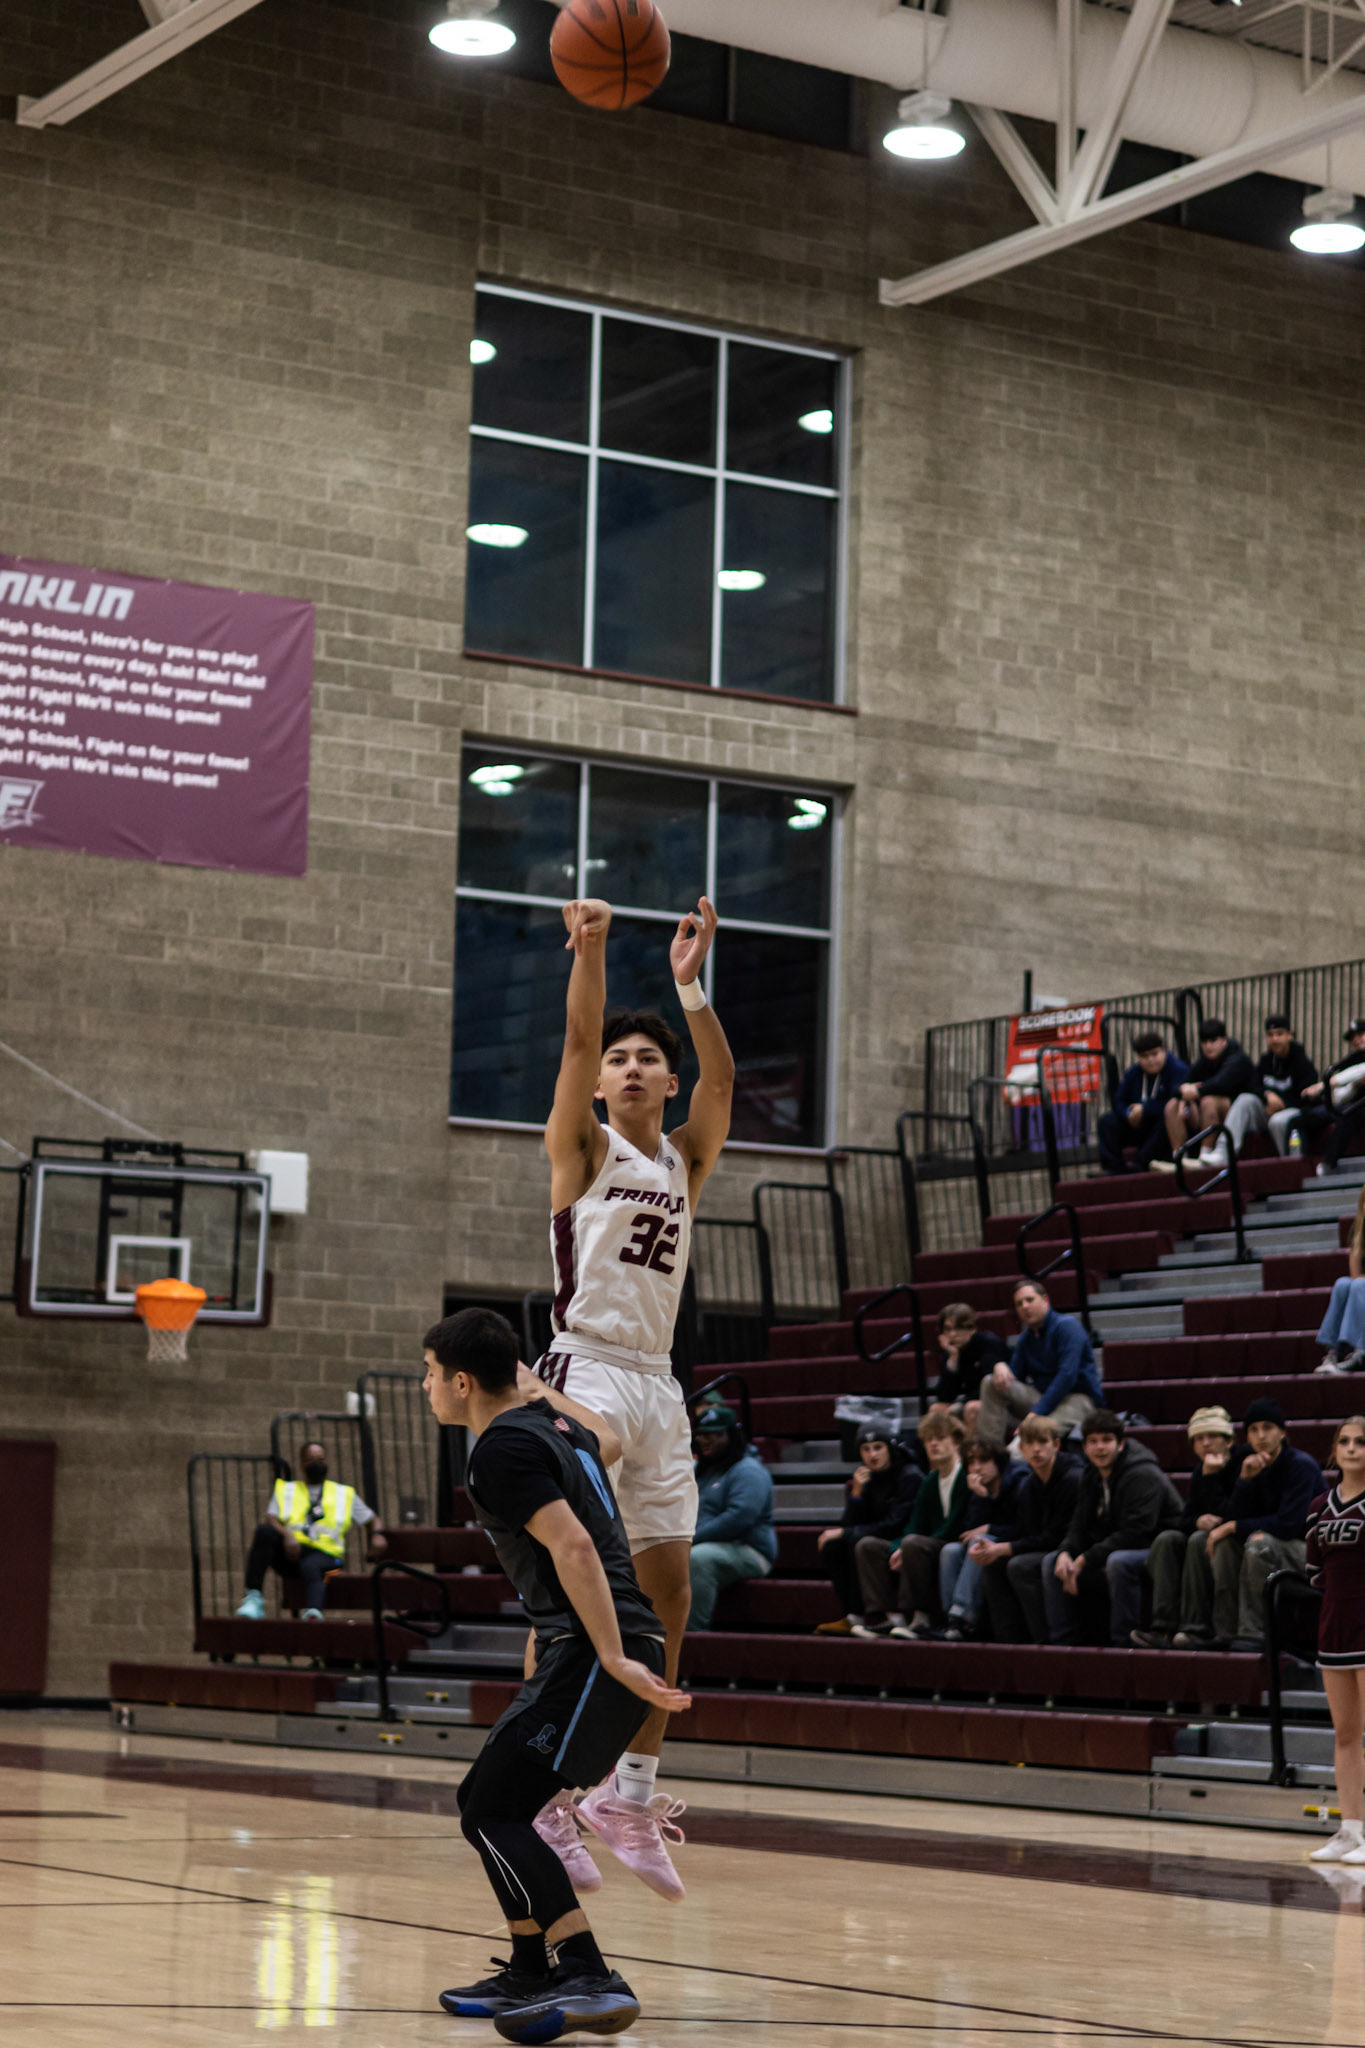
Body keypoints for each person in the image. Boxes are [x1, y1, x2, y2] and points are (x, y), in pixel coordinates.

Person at [535, 893, 733, 1900]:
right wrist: (594, 949)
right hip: (586, 1368)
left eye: (647, 1058)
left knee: (670, 1594)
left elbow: (724, 1080)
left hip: (657, 1383)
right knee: (573, 1588)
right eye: (620, 1059)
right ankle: (544, 1788)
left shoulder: (684, 1158)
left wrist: (690, 986)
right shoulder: (583, 1148)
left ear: (667, 1079)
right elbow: (576, 1038)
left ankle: (629, 1793)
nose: (630, 1067)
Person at [421, 1308, 689, 2041]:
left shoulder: (500, 1450)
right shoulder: (557, 1428)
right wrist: (545, 1391)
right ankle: (530, 1968)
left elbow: (573, 1547)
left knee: (493, 1811)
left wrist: (611, 1654)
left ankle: (587, 1973)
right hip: (597, 1646)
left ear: (463, 1382)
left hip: (592, 1648)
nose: (426, 1386)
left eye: (431, 1373)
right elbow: (608, 1438)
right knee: (486, 1801)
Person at [1174, 1396, 1323, 1651]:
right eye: (1254, 1430)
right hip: (1276, 1544)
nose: (1261, 1435)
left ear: (1282, 1432)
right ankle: (1225, 1632)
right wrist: (1244, 1481)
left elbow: (1289, 1524)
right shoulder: (1252, 1465)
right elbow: (1233, 1517)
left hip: (1309, 1552)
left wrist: (1233, 1527)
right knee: (1225, 1544)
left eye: (1268, 1428)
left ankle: (1254, 1632)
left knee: (1258, 1543)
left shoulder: (1300, 1466)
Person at [1042, 1411, 1182, 1646]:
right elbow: (1079, 1523)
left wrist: (1085, 1558)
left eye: (1106, 1440)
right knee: (1052, 1562)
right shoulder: (1091, 1473)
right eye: (1093, 1441)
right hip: (1120, 1544)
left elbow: (1136, 1532)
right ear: (1084, 1447)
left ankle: (1123, 1644)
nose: (1100, 1447)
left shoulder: (1141, 1472)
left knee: (1119, 1562)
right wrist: (1066, 1551)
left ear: (1120, 1444)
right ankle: (1063, 1645)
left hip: (1158, 1547)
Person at [1128, 1406, 1248, 1648]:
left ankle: (1195, 1629)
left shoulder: (1244, 1464)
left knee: (1198, 1540)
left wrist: (1212, 1478)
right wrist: (1196, 1521)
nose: (1206, 1443)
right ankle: (1163, 1629)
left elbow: (1238, 1513)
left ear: (1229, 1440)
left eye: (1212, 1436)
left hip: (1237, 1541)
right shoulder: (1200, 1469)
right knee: (1168, 1539)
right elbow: (1184, 1519)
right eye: (1199, 1439)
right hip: (1207, 1539)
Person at [235, 1440, 386, 1620]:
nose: (316, 1464)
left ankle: (313, 1612)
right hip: (293, 1553)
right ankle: (253, 1598)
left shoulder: (344, 1493)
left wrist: (377, 1535)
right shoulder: (286, 1490)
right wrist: (287, 1535)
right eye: (311, 1460)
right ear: (301, 1463)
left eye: (320, 1459)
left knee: (312, 1565)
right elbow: (271, 1519)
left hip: (328, 1556)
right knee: (264, 1533)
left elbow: (373, 1519)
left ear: (327, 1461)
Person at [1305, 1417, 1365, 1865]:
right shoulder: (1317, 1508)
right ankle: (1351, 1830)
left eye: (1361, 1441)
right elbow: (1316, 1573)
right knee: (1345, 1733)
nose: (1352, 1448)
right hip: (1334, 1628)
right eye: (1344, 1441)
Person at [851, 1411, 968, 1639]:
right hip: (929, 1543)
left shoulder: (965, 1475)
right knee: (868, 1545)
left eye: (940, 1438)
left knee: (913, 1543)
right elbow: (914, 1523)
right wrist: (897, 1547)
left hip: (954, 1542)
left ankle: (919, 1619)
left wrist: (906, 1546)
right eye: (928, 1439)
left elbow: (955, 1526)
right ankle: (883, 1618)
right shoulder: (931, 1480)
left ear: (956, 1441)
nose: (933, 1444)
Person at [981, 1413, 1084, 1644]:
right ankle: (1009, 1641)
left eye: (1042, 1442)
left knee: (1020, 1565)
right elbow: (1024, 1531)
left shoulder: (1073, 1478)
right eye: (1029, 1443)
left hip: (1072, 1548)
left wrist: (1007, 1548)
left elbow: (1057, 1536)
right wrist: (993, 1546)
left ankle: (1047, 1641)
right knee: (994, 1563)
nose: (1036, 1449)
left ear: (1056, 1444)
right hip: (1047, 1545)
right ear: (1021, 1449)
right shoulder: (1029, 1484)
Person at [813, 1426, 922, 1637]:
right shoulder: (866, 1477)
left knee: (857, 1540)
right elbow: (850, 1524)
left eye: (878, 1447)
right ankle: (854, 1615)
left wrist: (846, 1533)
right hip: (874, 1538)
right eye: (866, 1449)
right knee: (833, 1546)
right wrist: (856, 1494)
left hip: (901, 1539)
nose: (872, 1455)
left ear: (890, 1448)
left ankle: (875, 1616)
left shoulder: (909, 1475)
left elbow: (894, 1524)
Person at [976, 1280, 1103, 1442]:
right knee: (991, 1382)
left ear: (1045, 1300)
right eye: (1019, 1303)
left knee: (1029, 1440)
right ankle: (989, 1450)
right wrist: (1000, 1365)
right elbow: (1015, 1377)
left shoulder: (1067, 1327)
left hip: (1077, 1399)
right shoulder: (1025, 1338)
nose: (1025, 1306)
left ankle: (1019, 1447)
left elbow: (1067, 1376)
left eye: (1029, 1300)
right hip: (1042, 1397)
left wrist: (1036, 1413)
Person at [686, 1403, 776, 1629]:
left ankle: (694, 1636)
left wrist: (690, 1540)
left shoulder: (748, 1470)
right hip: (705, 1544)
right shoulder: (703, 1470)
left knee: (698, 1559)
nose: (705, 1440)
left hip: (749, 1549)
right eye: (702, 1434)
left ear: (731, 1436)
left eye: (715, 1434)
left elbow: (739, 1518)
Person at [935, 1436, 1028, 1640]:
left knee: (980, 1541)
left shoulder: (1019, 1480)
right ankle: (950, 1619)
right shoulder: (977, 1485)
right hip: (990, 1539)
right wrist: (981, 1497)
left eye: (984, 1461)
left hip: (1013, 1541)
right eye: (971, 1462)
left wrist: (991, 1527)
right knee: (950, 1550)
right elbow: (970, 1528)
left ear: (998, 1461)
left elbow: (1024, 1528)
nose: (977, 1468)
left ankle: (964, 1616)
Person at [1164, 1020, 1264, 1171]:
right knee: (1172, 1105)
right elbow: (1181, 1085)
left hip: (1240, 1117)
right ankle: (1179, 1157)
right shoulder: (1205, 1061)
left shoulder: (1238, 1059)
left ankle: (1205, 1154)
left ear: (1224, 1041)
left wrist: (1195, 1092)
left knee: (1209, 1101)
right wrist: (1185, 1094)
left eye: (1213, 1041)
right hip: (1207, 1115)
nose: (1208, 1046)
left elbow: (1220, 1083)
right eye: (1204, 1042)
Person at [1097, 1031, 1189, 1175]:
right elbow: (1118, 1100)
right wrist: (1128, 1113)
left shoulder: (1177, 1069)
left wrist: (1145, 1109)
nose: (1150, 1060)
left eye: (1154, 1054)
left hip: (1163, 1124)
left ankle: (1143, 1163)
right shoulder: (1133, 1073)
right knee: (1107, 1121)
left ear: (1164, 1051)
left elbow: (1175, 1100)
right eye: (1145, 1056)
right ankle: (1113, 1168)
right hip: (1138, 1123)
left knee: (1167, 1117)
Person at [1299, 1017, 1365, 1170]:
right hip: (1347, 1105)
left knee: (1349, 1115)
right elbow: (1341, 1095)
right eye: (1352, 1038)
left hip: (1357, 1108)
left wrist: (1325, 1085)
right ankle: (1299, 1165)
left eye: (1361, 1034)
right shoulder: (1350, 1060)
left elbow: (1359, 1072)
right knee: (1302, 1119)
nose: (1356, 1040)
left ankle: (1329, 1164)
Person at [1314, 1184, 1365, 1377]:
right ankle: (1333, 1353)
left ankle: (1361, 1353)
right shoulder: (1358, 1232)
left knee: (1359, 1285)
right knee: (1343, 1284)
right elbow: (1355, 1273)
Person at [930, 1302, 1008, 1421]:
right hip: (970, 1401)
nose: (952, 1334)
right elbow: (944, 1396)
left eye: (958, 1328)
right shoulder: (952, 1351)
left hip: (999, 1401)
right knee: (936, 1409)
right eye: (947, 1329)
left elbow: (990, 1386)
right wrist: (953, 1358)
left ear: (972, 1328)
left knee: (971, 1408)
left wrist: (962, 1403)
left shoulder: (988, 1343)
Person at [1257, 1014, 1319, 1157]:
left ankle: (1288, 1162)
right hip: (1269, 1109)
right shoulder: (1266, 1061)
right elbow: (1252, 1084)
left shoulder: (1302, 1063)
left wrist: (1283, 1104)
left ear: (1290, 1035)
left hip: (1295, 1111)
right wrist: (1267, 1095)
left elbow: (1307, 1097)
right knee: (1245, 1100)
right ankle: (1224, 1156)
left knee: (1278, 1121)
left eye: (1279, 1034)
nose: (1275, 1039)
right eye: (1270, 1035)